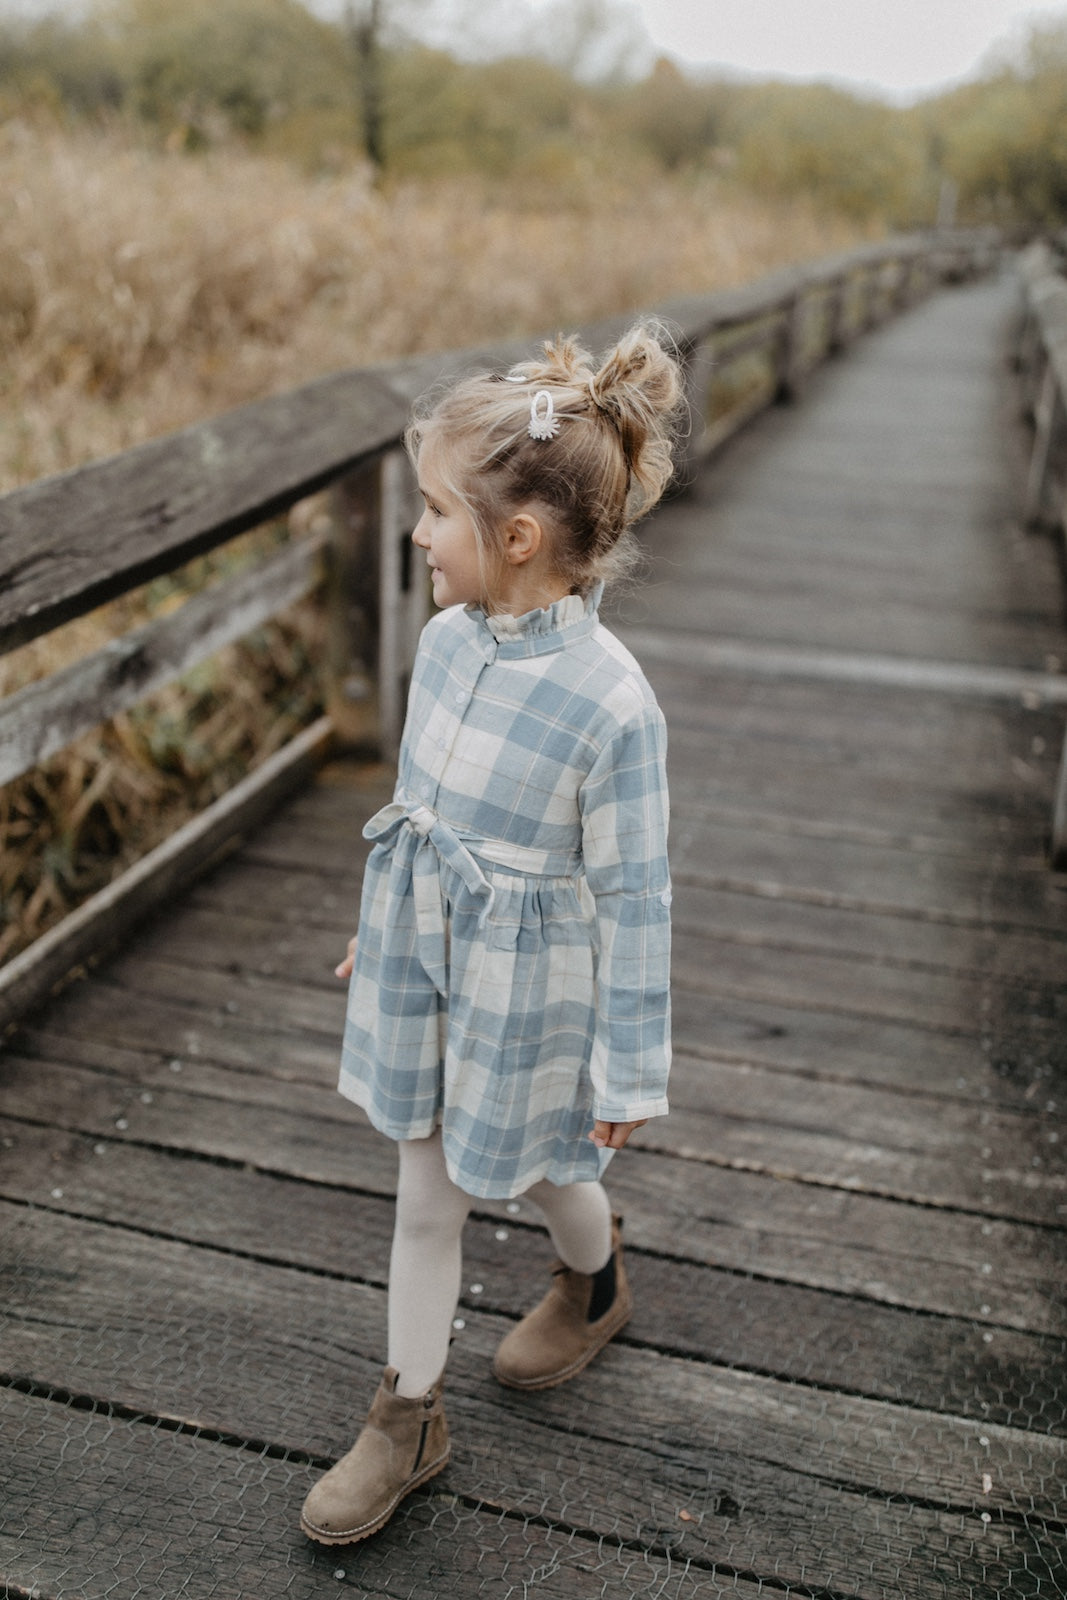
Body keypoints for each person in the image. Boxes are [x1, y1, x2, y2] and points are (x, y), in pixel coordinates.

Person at [300, 324, 681, 1547]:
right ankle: (409, 1413)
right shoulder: (445, 642)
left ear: (514, 538)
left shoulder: (611, 701)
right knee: (429, 1189)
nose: (417, 535)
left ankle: (595, 1271)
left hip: (533, 989)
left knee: (550, 1162)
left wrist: (627, 1064)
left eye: (432, 513)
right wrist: (384, 935)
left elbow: (634, 895)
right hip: (429, 963)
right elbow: (413, 818)